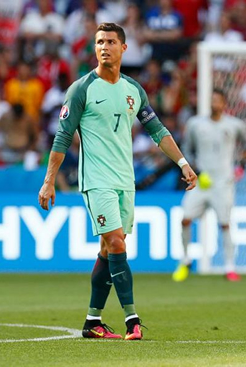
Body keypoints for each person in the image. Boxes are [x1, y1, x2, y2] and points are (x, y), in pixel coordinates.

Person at [38, 23, 197, 340]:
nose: (104, 46)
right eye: (99, 42)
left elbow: (158, 132)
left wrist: (182, 163)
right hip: (96, 181)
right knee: (117, 243)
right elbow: (63, 137)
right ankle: (132, 320)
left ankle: (92, 322)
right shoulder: (81, 89)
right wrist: (49, 181)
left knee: (109, 251)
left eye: (110, 41)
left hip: (126, 180)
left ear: (124, 48)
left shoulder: (133, 90)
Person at [173, 89, 246, 282]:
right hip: (201, 183)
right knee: (185, 219)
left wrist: (242, 167)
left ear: (224, 103)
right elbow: (186, 149)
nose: (214, 103)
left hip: (223, 183)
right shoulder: (195, 124)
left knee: (225, 224)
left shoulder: (235, 125)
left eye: (218, 100)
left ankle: (230, 267)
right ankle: (185, 260)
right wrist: (197, 171)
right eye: (212, 100)